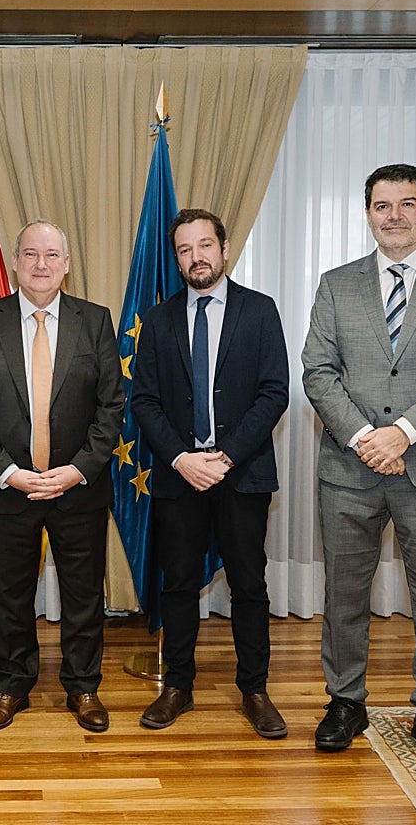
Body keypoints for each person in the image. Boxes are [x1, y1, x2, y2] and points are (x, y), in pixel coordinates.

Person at [302, 163, 416, 768]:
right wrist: (365, 437)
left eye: (406, 204)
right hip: (350, 470)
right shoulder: (336, 284)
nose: (395, 216)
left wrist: (402, 434)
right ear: (368, 214)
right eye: (382, 206)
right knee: (344, 595)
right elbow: (318, 371)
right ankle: (345, 702)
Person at [0, 219, 125, 734]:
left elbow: (112, 405)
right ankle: (11, 686)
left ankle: (83, 687)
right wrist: (9, 472)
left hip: (78, 487)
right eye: (31, 254)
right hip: (9, 488)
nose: (41, 265)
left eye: (52, 256)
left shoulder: (94, 321)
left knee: (81, 594)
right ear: (15, 261)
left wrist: (77, 470)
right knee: (9, 595)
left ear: (67, 264)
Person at [131, 208, 290, 735]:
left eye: (204, 245)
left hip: (241, 474)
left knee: (249, 584)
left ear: (224, 248)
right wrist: (182, 458)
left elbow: (274, 393)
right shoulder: (157, 319)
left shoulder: (260, 311)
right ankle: (177, 686)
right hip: (180, 475)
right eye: (184, 249)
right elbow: (145, 401)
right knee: (176, 584)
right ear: (176, 257)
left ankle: (255, 689)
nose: (196, 257)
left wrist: (224, 457)